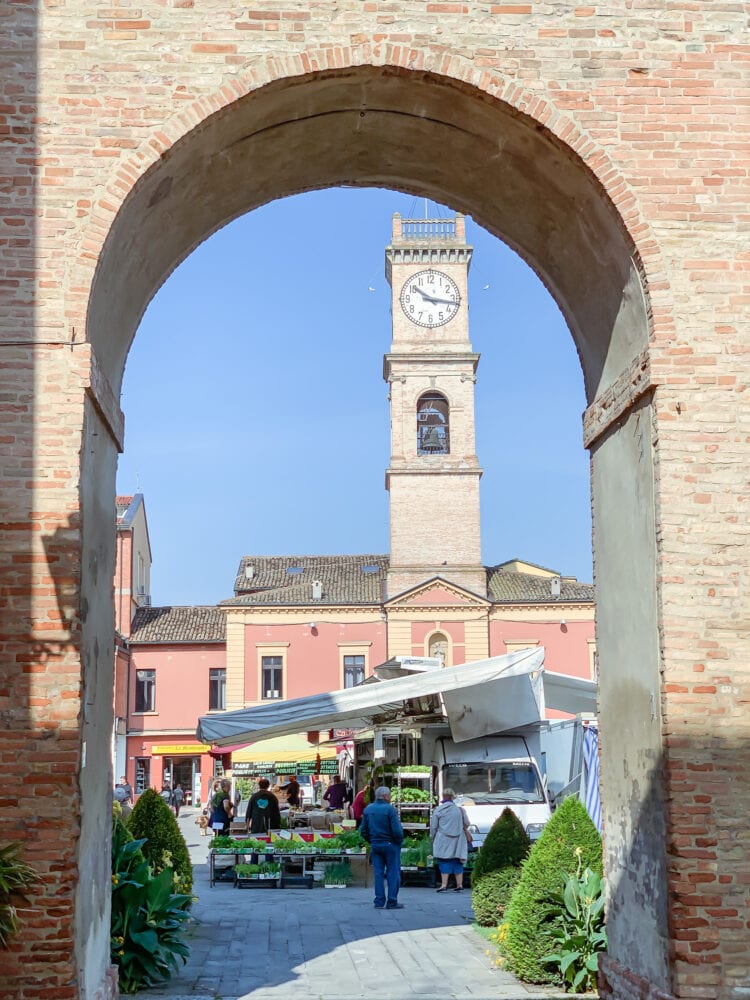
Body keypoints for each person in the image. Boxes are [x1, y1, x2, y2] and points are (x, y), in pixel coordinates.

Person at [360, 785, 404, 909]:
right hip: (390, 845)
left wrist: (371, 840)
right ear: (385, 796)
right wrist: (398, 841)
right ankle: (392, 901)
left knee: (378, 873)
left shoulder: (368, 809)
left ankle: (379, 901)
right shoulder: (390, 810)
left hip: (376, 844)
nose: (390, 798)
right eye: (389, 796)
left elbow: (363, 830)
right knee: (392, 873)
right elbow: (397, 831)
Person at [430, 786, 472, 892]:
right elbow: (467, 823)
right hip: (458, 839)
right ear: (453, 797)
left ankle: (444, 885)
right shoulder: (460, 810)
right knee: (458, 860)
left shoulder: (438, 810)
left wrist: (432, 838)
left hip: (443, 839)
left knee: (444, 860)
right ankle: (459, 884)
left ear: (443, 796)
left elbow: (433, 827)